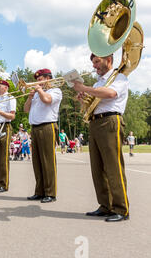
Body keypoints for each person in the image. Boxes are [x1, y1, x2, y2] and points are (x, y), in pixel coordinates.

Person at [73, 53, 130, 222]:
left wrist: (84, 89)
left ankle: (121, 208)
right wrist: (83, 99)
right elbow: (91, 105)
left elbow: (111, 94)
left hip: (111, 121)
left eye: (97, 61)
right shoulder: (98, 83)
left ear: (108, 60)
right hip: (95, 122)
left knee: (113, 166)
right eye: (93, 62)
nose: (94, 66)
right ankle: (106, 205)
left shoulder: (119, 77)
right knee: (97, 168)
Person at [24, 68, 62, 204]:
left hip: (47, 127)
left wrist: (39, 90)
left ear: (48, 79)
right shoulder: (35, 95)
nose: (37, 83)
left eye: (40, 80)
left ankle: (50, 193)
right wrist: (29, 97)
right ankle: (39, 191)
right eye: (37, 81)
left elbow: (47, 100)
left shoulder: (55, 91)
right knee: (37, 162)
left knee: (48, 161)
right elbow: (26, 109)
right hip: (34, 128)